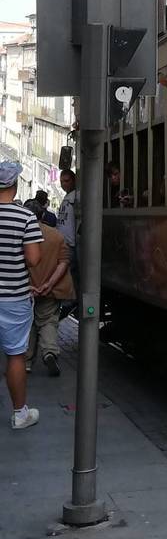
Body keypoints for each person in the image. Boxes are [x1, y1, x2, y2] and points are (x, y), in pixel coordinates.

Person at [0, 159, 43, 430]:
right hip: (15, 297)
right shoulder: (25, 217)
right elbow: (34, 260)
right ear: (14, 186)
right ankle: (20, 414)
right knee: (16, 355)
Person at [26, 214, 74, 377]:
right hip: (50, 289)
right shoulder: (56, 235)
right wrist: (49, 284)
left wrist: (27, 286)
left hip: (26, 288)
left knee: (28, 323)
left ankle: (26, 361)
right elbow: (64, 261)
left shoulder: (21, 234)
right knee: (48, 321)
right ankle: (49, 352)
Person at [56, 167, 80, 300]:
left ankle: (71, 301)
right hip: (64, 243)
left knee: (69, 274)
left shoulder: (76, 196)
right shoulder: (68, 196)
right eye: (61, 181)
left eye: (66, 181)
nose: (64, 184)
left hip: (70, 243)